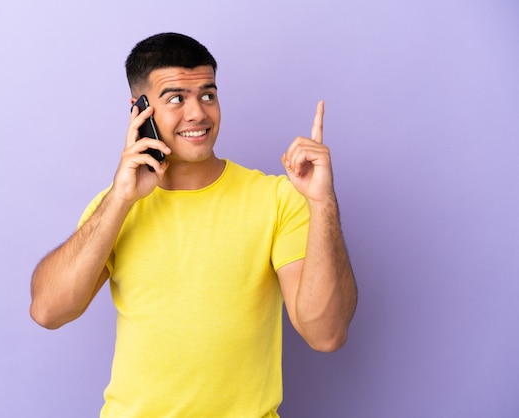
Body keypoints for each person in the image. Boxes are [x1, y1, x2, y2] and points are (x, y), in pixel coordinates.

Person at [30, 32, 357, 418]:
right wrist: (119, 199)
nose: (198, 113)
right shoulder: (117, 206)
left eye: (207, 95)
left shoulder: (277, 199)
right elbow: (48, 311)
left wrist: (322, 203)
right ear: (139, 110)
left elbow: (327, 334)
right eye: (176, 99)